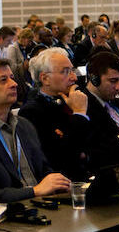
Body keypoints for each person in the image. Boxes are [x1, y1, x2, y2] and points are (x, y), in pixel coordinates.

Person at [0, 57, 72, 203]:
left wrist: (59, 184)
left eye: (12, 78)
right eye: (3, 80)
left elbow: (44, 171)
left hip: (44, 204)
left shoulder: (25, 125)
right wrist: (34, 191)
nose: (14, 84)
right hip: (10, 216)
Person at [18, 47, 91, 180]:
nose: (74, 77)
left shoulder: (75, 99)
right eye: (65, 72)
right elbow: (62, 156)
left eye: (72, 70)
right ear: (45, 79)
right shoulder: (32, 112)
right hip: (61, 185)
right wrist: (79, 114)